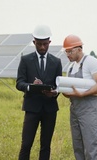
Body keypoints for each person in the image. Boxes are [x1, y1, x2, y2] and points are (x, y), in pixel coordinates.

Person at [16, 24, 62, 160]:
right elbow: (19, 83)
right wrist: (30, 86)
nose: (42, 47)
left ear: (49, 43)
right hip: (32, 108)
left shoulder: (56, 62)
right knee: (26, 144)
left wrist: (54, 92)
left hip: (50, 109)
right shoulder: (25, 60)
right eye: (39, 44)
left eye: (45, 44)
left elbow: (58, 85)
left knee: (46, 145)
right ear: (34, 42)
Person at [62, 34, 97, 160]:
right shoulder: (70, 67)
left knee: (91, 147)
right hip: (75, 109)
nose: (68, 54)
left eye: (70, 51)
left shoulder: (91, 62)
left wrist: (83, 94)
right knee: (78, 146)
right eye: (66, 51)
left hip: (89, 108)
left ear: (79, 49)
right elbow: (71, 89)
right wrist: (65, 93)